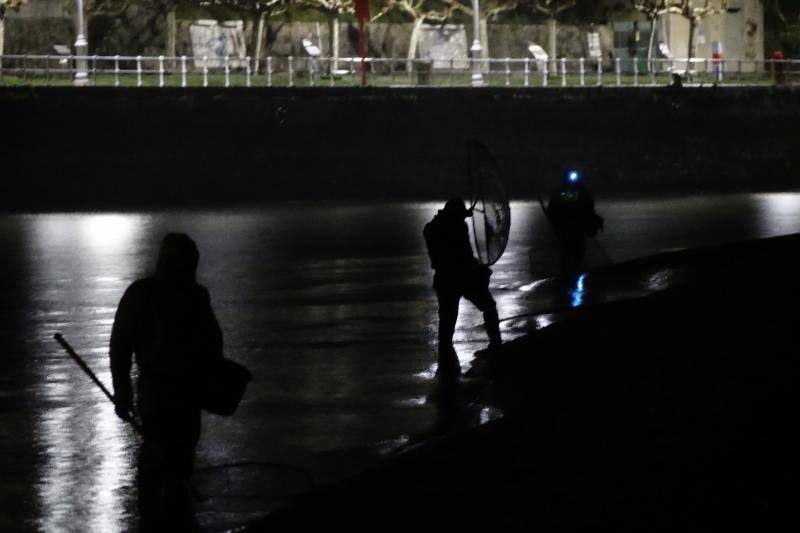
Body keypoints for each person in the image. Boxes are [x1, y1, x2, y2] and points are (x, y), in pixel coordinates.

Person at [110, 233, 223, 531]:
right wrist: (122, 392)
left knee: (168, 466)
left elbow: (120, 345)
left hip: (174, 397)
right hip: (167, 397)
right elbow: (121, 346)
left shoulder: (186, 296)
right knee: (163, 466)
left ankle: (168, 522)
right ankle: (167, 522)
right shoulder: (156, 295)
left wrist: (123, 392)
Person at [423, 198, 501, 380]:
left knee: (447, 322)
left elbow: (444, 231)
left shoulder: (433, 227)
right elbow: (463, 254)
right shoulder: (455, 227)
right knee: (488, 306)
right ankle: (496, 344)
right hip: (462, 277)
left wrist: (460, 217)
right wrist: (479, 271)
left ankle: (446, 369)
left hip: (445, 279)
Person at [545, 170, 604, 280]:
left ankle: (573, 272)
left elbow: (589, 210)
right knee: (568, 252)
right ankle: (568, 273)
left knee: (576, 252)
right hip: (567, 228)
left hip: (577, 228)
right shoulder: (563, 193)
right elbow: (554, 210)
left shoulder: (583, 193)